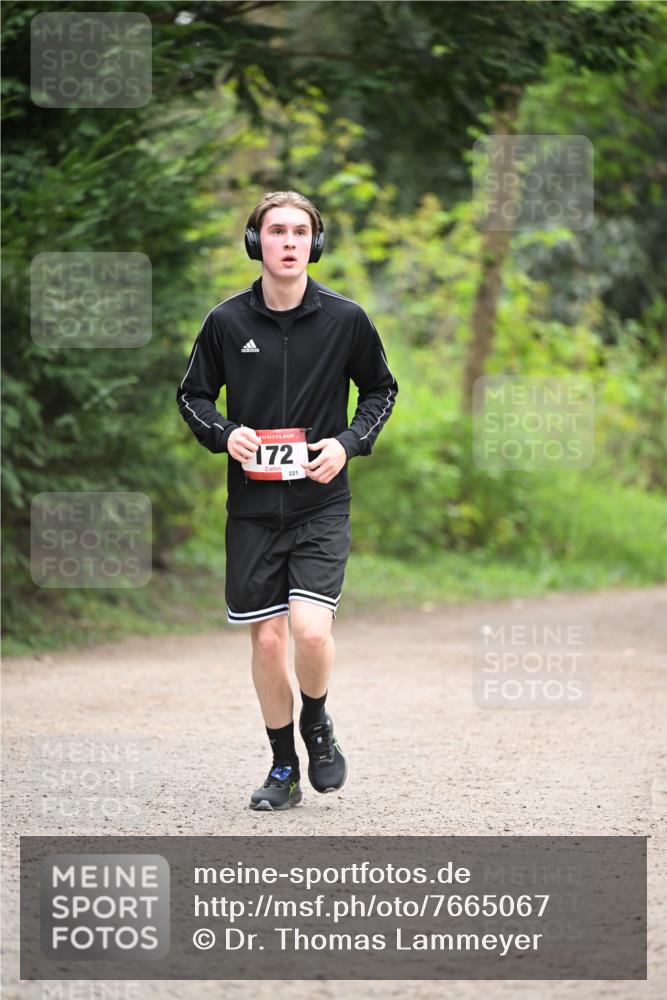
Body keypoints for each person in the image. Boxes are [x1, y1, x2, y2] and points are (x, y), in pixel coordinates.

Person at [176, 190, 397, 811]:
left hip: (320, 503)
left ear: (315, 245)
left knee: (311, 633)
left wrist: (348, 444)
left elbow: (381, 390)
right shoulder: (225, 322)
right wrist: (226, 435)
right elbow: (192, 396)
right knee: (268, 642)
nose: (290, 242)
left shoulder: (345, 320)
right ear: (257, 243)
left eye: (301, 232)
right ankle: (282, 768)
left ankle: (317, 724)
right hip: (251, 509)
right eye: (277, 231)